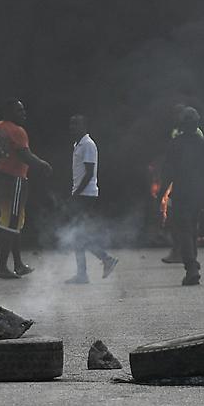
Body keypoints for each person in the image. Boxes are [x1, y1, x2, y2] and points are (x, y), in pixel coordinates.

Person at [0, 98, 51, 279]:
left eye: (23, 110)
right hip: (14, 180)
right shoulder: (17, 131)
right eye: (19, 111)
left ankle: (18, 264)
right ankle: (2, 267)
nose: (23, 114)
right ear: (8, 112)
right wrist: (42, 164)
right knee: (10, 222)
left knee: (14, 222)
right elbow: (24, 155)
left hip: (0, 178)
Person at [162, 106, 204, 286]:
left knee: (185, 230)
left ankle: (191, 267)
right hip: (199, 195)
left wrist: (160, 196)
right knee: (191, 229)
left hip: (182, 194)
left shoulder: (175, 144)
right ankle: (194, 261)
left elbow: (168, 173)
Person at [63, 115, 118, 284]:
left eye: (76, 124)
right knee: (80, 235)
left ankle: (102, 261)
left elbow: (89, 173)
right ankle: (85, 272)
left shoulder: (87, 144)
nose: (73, 127)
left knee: (79, 235)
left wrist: (76, 193)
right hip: (82, 194)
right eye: (71, 124)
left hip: (86, 195)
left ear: (85, 126)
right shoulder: (78, 144)